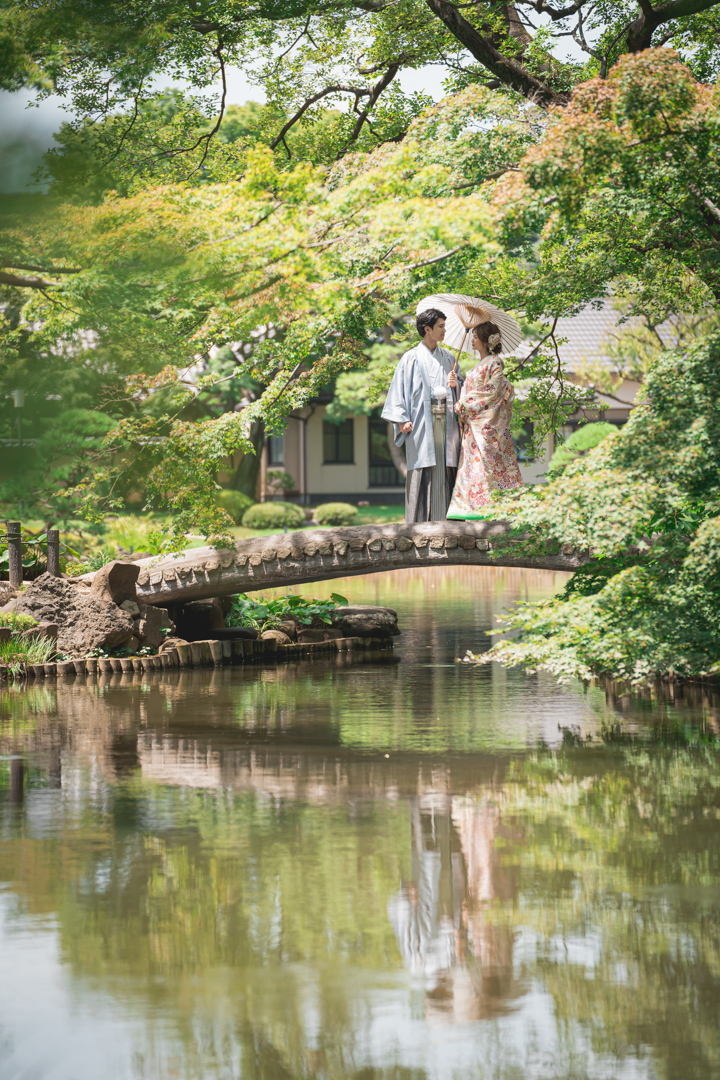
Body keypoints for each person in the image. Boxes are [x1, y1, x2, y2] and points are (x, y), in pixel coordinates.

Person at [381, 308, 463, 523]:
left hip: (447, 426)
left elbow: (463, 392)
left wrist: (456, 385)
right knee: (424, 468)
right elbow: (398, 392)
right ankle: (420, 526)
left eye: (445, 326)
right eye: (441, 326)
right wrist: (401, 419)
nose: (445, 330)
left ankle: (450, 523)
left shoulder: (450, 358)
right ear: (427, 329)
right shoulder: (410, 359)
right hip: (420, 424)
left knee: (447, 466)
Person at [446, 320, 523, 519]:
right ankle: (470, 506)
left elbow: (493, 390)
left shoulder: (494, 362)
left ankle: (492, 507)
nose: (472, 339)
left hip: (485, 424)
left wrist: (466, 403)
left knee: (486, 464)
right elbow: (470, 389)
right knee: (472, 464)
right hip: (473, 424)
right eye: (472, 336)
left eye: (475, 336)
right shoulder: (478, 365)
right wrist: (455, 386)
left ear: (486, 340)